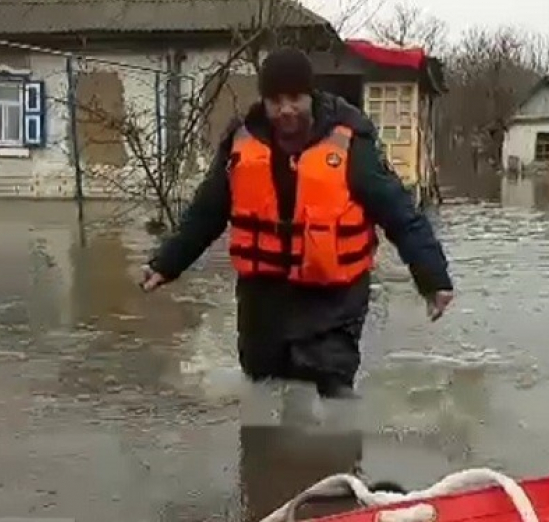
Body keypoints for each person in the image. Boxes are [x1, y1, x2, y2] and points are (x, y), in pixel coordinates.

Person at [140, 47, 453, 404]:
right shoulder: (241, 143)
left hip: (334, 297)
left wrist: (433, 278)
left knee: (333, 396)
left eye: (294, 98)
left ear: (310, 95)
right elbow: (206, 211)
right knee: (263, 390)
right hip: (263, 296)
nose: (286, 109)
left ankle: (340, 459)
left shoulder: (351, 141)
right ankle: (266, 460)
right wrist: (166, 263)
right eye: (275, 100)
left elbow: (399, 212)